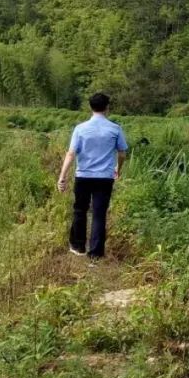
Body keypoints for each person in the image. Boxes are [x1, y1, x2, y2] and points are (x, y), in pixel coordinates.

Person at [57, 93, 128, 259]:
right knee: (99, 212)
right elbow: (122, 153)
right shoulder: (115, 129)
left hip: (83, 176)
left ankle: (78, 246)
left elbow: (71, 154)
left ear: (90, 107)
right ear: (107, 107)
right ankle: (95, 253)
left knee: (80, 210)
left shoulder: (80, 129)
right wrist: (118, 168)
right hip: (104, 177)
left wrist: (62, 176)